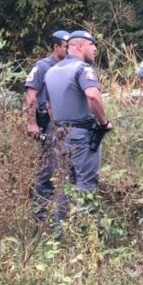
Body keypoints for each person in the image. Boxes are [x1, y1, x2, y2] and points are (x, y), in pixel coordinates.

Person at [44, 30, 113, 238]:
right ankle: (87, 236)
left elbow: (48, 106)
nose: (95, 50)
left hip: (60, 134)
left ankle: (61, 235)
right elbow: (92, 97)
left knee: (65, 185)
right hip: (82, 135)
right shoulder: (83, 69)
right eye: (92, 45)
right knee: (86, 184)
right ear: (81, 46)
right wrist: (104, 122)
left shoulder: (52, 71)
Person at [24, 29, 69, 222]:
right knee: (47, 170)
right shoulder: (43, 67)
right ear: (56, 46)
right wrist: (32, 122)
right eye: (66, 47)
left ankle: (62, 217)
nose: (69, 51)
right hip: (47, 124)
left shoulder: (70, 67)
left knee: (65, 169)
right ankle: (39, 219)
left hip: (65, 123)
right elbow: (31, 96)